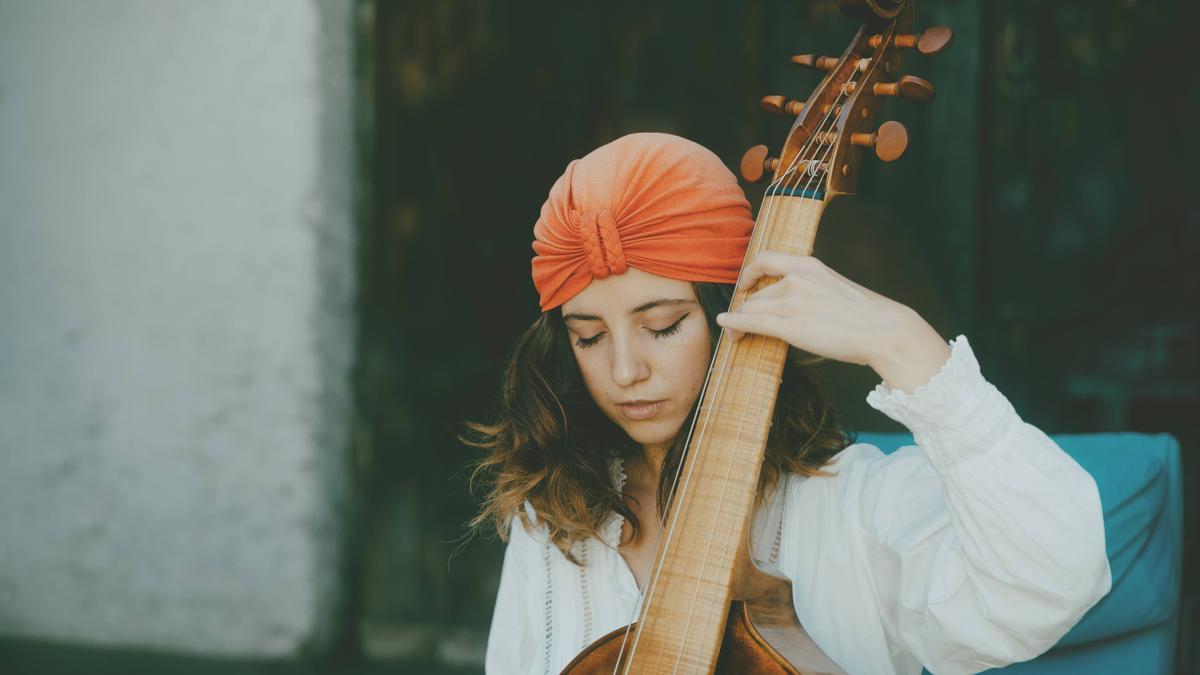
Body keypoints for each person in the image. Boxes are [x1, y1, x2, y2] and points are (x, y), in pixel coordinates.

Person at [465, 132, 1111, 675]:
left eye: (662, 325)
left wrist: (903, 343)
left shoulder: (853, 506)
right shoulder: (552, 516)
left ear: (729, 311)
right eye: (589, 336)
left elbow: (1053, 578)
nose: (626, 369)